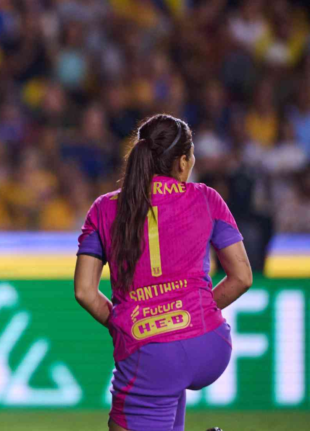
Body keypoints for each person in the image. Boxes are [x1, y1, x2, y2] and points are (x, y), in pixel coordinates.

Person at [74, 114, 253, 431]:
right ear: (182, 162)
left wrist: (123, 324)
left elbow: (85, 292)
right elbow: (242, 277)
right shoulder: (207, 198)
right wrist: (193, 308)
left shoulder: (104, 208)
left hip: (148, 349)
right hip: (209, 344)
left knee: (156, 378)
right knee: (167, 387)